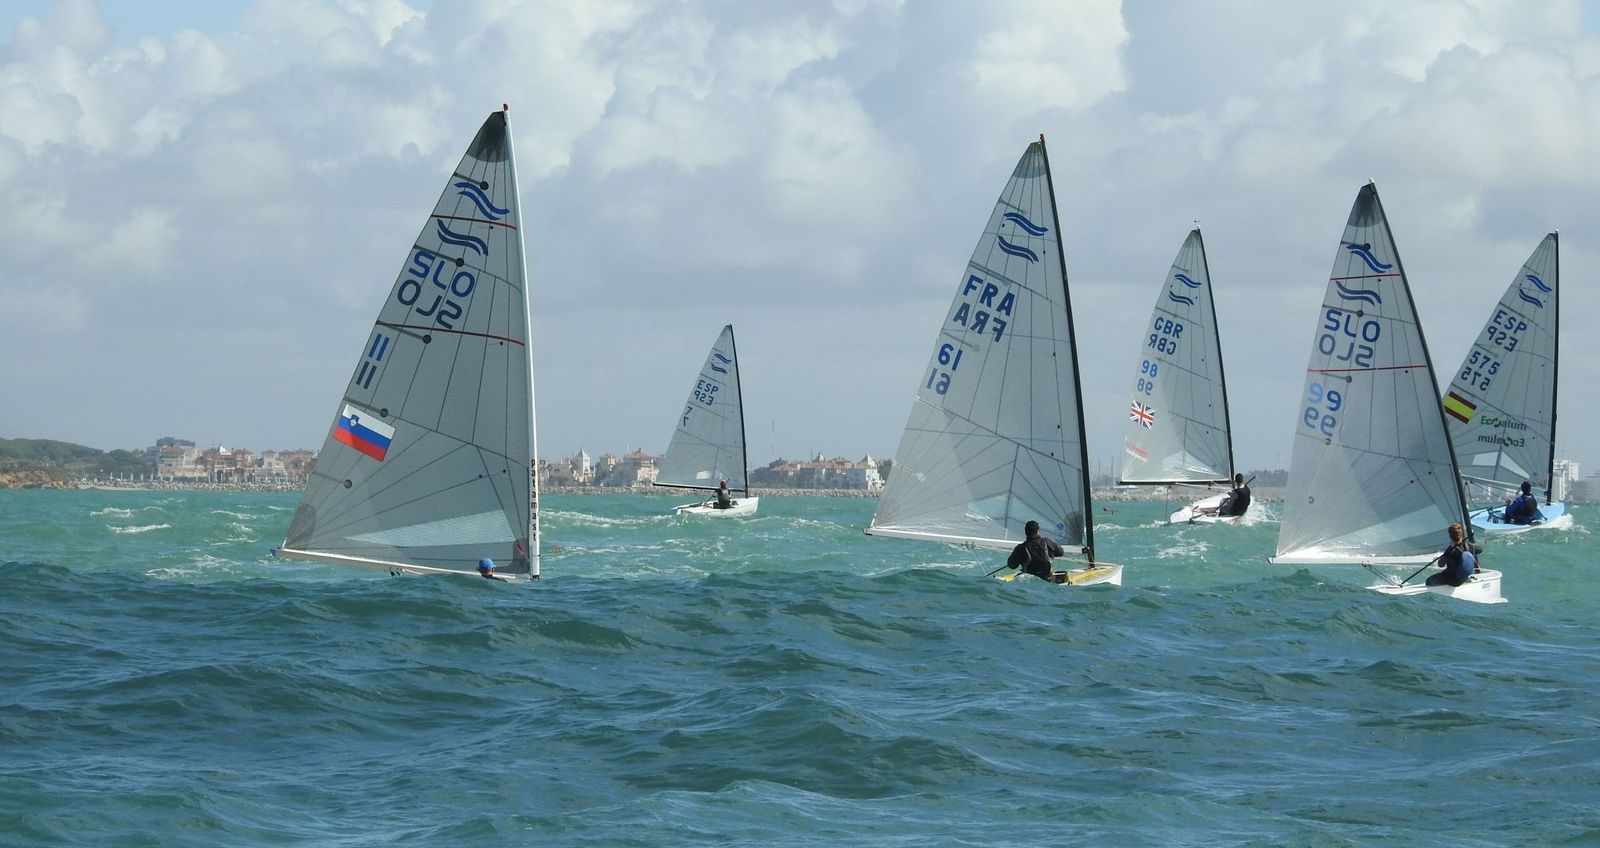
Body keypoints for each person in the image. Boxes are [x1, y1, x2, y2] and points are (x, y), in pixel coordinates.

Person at [1425, 523, 1479, 587]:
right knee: (1473, 554)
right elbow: (1480, 550)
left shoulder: (1450, 550)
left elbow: (1440, 564)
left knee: (1429, 581)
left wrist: (1443, 557)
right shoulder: (1471, 546)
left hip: (1453, 580)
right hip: (1464, 577)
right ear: (1461, 534)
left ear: (1450, 536)